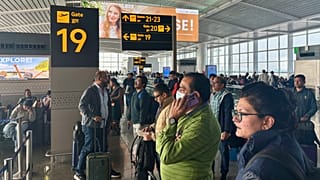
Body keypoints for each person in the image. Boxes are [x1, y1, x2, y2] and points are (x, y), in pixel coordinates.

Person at [233, 82, 313, 179]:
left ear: (267, 122)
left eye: (242, 114)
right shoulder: (286, 141)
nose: (235, 119)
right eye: (236, 112)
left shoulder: (260, 170)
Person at [156, 72, 221, 179]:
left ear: (195, 96)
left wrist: (172, 120)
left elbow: (166, 155)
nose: (177, 92)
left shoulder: (202, 124)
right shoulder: (186, 113)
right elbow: (160, 140)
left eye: (182, 89)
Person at [74, 71, 120, 180]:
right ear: (99, 78)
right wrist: (93, 116)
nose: (108, 80)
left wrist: (110, 122)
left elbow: (108, 107)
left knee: (104, 147)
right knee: (89, 147)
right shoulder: (90, 91)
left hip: (103, 125)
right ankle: (79, 171)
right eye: (105, 78)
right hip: (90, 125)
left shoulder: (106, 91)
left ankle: (107, 169)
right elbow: (81, 106)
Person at [210, 76, 234, 180]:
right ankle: (210, 172)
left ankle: (224, 173)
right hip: (212, 128)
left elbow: (227, 114)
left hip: (221, 128)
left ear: (222, 85)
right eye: (213, 82)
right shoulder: (212, 95)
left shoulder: (226, 96)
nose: (213, 85)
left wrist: (226, 130)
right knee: (210, 152)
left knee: (223, 151)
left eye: (216, 83)